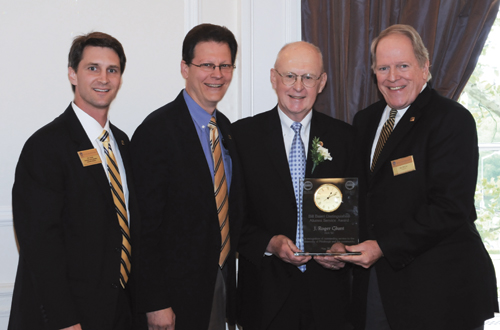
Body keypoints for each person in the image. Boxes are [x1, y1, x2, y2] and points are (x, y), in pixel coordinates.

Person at [337, 24, 499, 330]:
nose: (393, 76)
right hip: (377, 286)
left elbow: (449, 207)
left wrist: (381, 246)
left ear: (425, 68)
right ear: (374, 73)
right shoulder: (365, 120)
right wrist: (335, 239)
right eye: (383, 67)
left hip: (440, 289)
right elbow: (358, 192)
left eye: (403, 66)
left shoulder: (452, 120)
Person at [9, 32, 140, 330]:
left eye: (112, 70)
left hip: (119, 311)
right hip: (70, 318)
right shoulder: (45, 147)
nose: (103, 78)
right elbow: (40, 246)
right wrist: (65, 321)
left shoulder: (121, 142)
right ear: (72, 73)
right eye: (92, 68)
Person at [232, 41, 355, 330]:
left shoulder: (346, 137)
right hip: (264, 295)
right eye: (290, 76)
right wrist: (269, 243)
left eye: (308, 77)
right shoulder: (241, 136)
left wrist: (343, 249)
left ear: (322, 82)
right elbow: (231, 215)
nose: (298, 86)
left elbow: (358, 213)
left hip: (329, 296)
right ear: (274, 78)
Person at [130, 23, 243, 330]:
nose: (216, 74)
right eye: (206, 64)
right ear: (185, 67)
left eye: (225, 65)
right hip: (173, 299)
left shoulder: (228, 131)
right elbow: (144, 229)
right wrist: (155, 302)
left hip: (218, 285)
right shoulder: (156, 132)